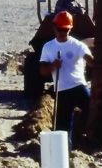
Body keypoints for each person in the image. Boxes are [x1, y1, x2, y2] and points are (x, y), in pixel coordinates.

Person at [39, 10, 93, 147]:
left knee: (94, 110)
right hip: (62, 91)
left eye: (66, 30)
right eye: (60, 29)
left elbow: (91, 60)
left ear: (70, 29)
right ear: (54, 27)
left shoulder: (78, 45)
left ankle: (83, 135)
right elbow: (42, 71)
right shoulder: (48, 47)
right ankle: (65, 150)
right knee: (62, 128)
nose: (62, 32)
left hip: (79, 87)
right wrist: (53, 65)